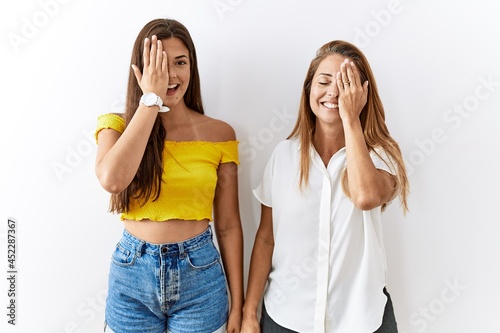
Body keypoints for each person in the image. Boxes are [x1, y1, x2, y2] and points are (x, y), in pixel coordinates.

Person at [241, 40, 409, 333]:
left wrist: (351, 118)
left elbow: (366, 196)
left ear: (362, 94)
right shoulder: (283, 155)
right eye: (324, 81)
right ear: (308, 89)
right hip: (287, 318)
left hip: (361, 321)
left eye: (346, 84)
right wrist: (248, 313)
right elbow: (266, 239)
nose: (333, 92)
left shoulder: (382, 156)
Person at [95, 18, 243, 333]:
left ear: (193, 67)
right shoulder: (116, 125)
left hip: (200, 273)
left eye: (180, 62)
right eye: (160, 64)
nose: (171, 75)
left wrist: (239, 307)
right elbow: (111, 180)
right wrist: (150, 100)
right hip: (132, 274)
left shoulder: (219, 133)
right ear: (142, 69)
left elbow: (229, 226)